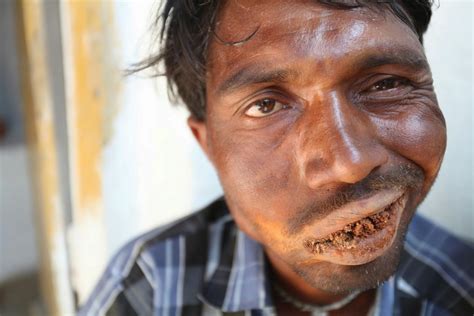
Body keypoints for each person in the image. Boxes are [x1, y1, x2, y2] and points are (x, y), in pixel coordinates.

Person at [79, 0, 474, 315]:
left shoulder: (462, 289)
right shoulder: (147, 287)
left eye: (387, 84)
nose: (349, 163)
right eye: (266, 105)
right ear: (209, 145)